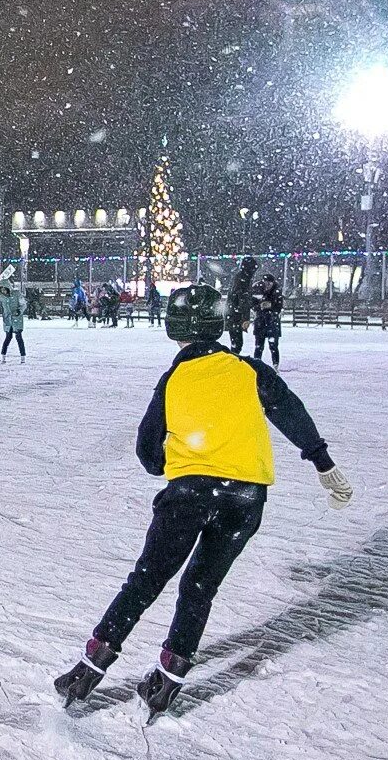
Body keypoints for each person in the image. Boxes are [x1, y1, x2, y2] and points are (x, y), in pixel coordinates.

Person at [54, 284, 351, 717]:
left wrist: (171, 462)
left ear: (175, 331)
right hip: (246, 498)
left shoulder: (174, 379)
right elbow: (290, 410)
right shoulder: (249, 371)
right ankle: (167, 681)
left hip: (189, 494)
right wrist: (322, 462)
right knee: (199, 587)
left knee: (147, 579)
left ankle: (89, 669)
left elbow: (148, 452)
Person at [250, 273, 284, 366]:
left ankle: (275, 364)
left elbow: (279, 306)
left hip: (272, 321)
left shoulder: (277, 292)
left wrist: (271, 306)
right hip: (261, 321)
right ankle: (256, 364)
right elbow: (252, 305)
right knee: (259, 346)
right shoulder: (257, 290)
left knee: (273, 346)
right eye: (266, 282)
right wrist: (259, 306)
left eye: (270, 283)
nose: (267, 284)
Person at [226, 256, 257, 354]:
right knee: (237, 343)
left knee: (236, 342)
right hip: (236, 315)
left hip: (233, 313)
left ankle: (233, 359)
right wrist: (245, 318)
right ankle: (232, 363)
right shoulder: (243, 280)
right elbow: (243, 300)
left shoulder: (239, 277)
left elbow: (242, 298)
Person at [0, 263, 27, 361]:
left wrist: (19, 311)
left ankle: (23, 356)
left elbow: (23, 304)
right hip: (7, 320)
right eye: (2, 290)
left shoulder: (16, 294)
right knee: (8, 338)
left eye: (4, 289)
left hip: (17, 319)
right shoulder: (2, 297)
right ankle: (3, 356)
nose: (3, 292)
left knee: (19, 338)